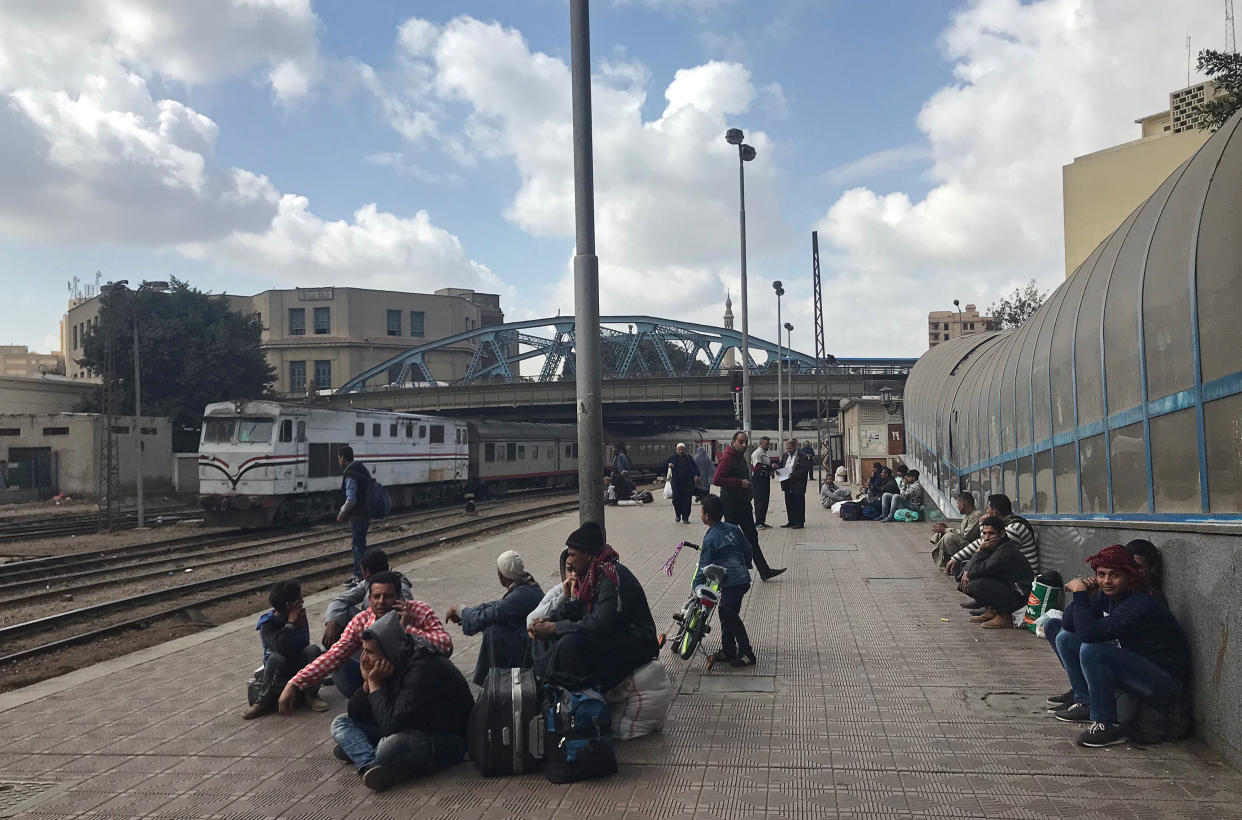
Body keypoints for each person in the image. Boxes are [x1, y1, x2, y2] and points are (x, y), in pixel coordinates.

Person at [1050, 545, 1189, 748]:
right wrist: (1086, 594)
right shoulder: (1108, 595)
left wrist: (1079, 594)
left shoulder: (1141, 603)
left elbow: (1091, 634)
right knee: (1066, 638)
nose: (1107, 581)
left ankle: (1106, 723)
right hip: (1136, 665)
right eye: (1101, 574)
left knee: (1092, 650)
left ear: (1129, 576)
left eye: (1114, 575)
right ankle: (1085, 702)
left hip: (1164, 681)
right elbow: (1071, 625)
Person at [329, 611, 474, 791]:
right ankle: (370, 765)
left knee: (388, 748)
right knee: (341, 722)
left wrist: (374, 683)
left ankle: (360, 749)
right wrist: (367, 684)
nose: (364, 659)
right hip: (408, 725)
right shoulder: (395, 657)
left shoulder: (423, 667)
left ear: (388, 651)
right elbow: (356, 714)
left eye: (369, 652)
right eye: (363, 651)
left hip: (449, 738)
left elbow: (391, 725)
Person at [279, 571, 453, 708]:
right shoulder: (361, 621)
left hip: (419, 686)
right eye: (376, 597)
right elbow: (332, 655)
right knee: (342, 726)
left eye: (388, 596)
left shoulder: (419, 611)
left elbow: (446, 646)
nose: (382, 602)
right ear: (369, 599)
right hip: (381, 685)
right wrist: (295, 683)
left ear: (400, 598)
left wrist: (406, 629)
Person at [528, 522, 659, 691]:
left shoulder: (610, 576)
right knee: (543, 638)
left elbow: (599, 623)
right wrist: (550, 619)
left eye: (572, 555)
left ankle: (573, 692)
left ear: (588, 555)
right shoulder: (592, 575)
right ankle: (544, 683)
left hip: (637, 642)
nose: (568, 561)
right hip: (615, 634)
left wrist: (555, 627)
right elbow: (579, 607)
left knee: (569, 644)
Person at [443, 550, 544, 685]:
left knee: (493, 632)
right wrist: (463, 611)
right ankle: (487, 684)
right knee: (494, 626)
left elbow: (491, 614)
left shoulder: (521, 596)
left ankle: (483, 687)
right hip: (529, 642)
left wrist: (461, 611)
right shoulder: (527, 587)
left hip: (531, 650)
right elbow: (494, 607)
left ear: (501, 576)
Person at [244, 580, 328, 719]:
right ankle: (262, 702)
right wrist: (290, 624)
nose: (302, 601)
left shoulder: (300, 616)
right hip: (278, 669)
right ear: (289, 605)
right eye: (298, 599)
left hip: (296, 661)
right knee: (276, 657)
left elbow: (303, 643)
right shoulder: (267, 623)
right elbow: (280, 648)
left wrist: (297, 625)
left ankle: (312, 696)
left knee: (313, 650)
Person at [712, 431, 785, 581]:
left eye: (746, 442)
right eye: (741, 442)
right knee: (731, 540)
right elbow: (717, 479)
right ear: (733, 442)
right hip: (731, 505)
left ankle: (764, 571)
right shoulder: (728, 458)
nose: (744, 445)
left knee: (752, 538)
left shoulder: (739, 457)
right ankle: (727, 573)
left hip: (742, 504)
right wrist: (740, 483)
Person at [696, 495, 755, 667]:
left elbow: (705, 566)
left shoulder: (710, 538)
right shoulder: (733, 528)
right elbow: (748, 549)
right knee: (725, 612)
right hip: (741, 579)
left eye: (701, 512)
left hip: (732, 582)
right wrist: (744, 565)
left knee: (730, 614)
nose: (700, 514)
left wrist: (697, 585)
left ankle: (747, 653)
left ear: (707, 516)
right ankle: (728, 650)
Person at [323, 549, 413, 649]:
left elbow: (406, 616)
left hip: (390, 635)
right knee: (341, 614)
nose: (381, 601)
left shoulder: (400, 586)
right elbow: (340, 600)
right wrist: (332, 622)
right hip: (369, 627)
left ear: (366, 572)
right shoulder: (369, 582)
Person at [957, 516, 1034, 629]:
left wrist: (979, 551)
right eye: (984, 533)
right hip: (1007, 586)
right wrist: (967, 571)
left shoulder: (1005, 550)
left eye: (991, 533)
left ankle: (1004, 615)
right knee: (963, 575)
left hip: (1020, 595)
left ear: (1002, 534)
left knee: (975, 585)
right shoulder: (995, 545)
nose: (987, 537)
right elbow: (972, 569)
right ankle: (991, 609)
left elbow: (975, 571)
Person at [945, 495, 1038, 588]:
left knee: (975, 575)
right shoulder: (1005, 525)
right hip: (1011, 571)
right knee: (969, 570)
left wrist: (983, 525)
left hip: (1024, 579)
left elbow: (987, 546)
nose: (986, 512)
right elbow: (983, 542)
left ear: (995, 512)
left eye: (988, 509)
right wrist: (956, 558)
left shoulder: (1015, 528)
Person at [338, 446, 373, 584]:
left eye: (339, 458)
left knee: (357, 546)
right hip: (365, 512)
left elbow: (351, 499)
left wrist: (341, 513)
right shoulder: (361, 469)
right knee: (361, 544)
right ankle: (364, 573)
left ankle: (359, 575)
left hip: (357, 515)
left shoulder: (350, 474)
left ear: (342, 458)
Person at [930, 493, 981, 566]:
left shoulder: (976, 514)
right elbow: (961, 532)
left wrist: (946, 529)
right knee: (942, 532)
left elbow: (966, 535)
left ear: (963, 504)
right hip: (965, 541)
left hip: (971, 546)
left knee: (948, 536)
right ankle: (947, 559)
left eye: (958, 504)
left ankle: (957, 562)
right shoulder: (967, 515)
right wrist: (945, 528)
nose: (957, 507)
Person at [528, 549, 575, 627]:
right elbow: (531, 620)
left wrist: (574, 599)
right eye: (570, 569)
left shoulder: (595, 589)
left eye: (577, 567)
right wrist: (563, 596)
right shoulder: (560, 589)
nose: (573, 574)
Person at [662, 443, 701, 524]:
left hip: (688, 484)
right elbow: (664, 464)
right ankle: (678, 514)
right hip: (676, 484)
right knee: (676, 500)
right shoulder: (673, 458)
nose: (681, 451)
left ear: (684, 450)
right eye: (679, 449)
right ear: (676, 450)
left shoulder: (689, 458)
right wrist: (668, 465)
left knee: (687, 501)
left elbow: (695, 468)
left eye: (682, 449)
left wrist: (696, 475)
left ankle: (685, 518)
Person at [777, 439, 811, 528]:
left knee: (798, 502)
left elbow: (804, 470)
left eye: (790, 448)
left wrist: (793, 475)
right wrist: (778, 470)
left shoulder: (802, 456)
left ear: (795, 447)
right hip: (786, 482)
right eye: (787, 448)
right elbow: (781, 465)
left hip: (798, 483)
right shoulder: (785, 455)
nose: (788, 450)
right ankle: (791, 520)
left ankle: (799, 522)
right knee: (789, 502)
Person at [1126, 539, 1165, 603]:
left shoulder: (1153, 599)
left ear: (1152, 568)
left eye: (1138, 567)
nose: (1131, 570)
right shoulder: (1113, 590)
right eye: (1128, 566)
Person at [750, 436, 774, 529]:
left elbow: (767, 466)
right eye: (766, 444)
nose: (768, 445)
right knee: (759, 500)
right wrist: (770, 467)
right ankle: (758, 522)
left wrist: (770, 471)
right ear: (761, 443)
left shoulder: (765, 454)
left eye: (768, 443)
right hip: (758, 479)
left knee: (765, 500)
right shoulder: (757, 453)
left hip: (765, 479)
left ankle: (762, 521)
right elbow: (757, 467)